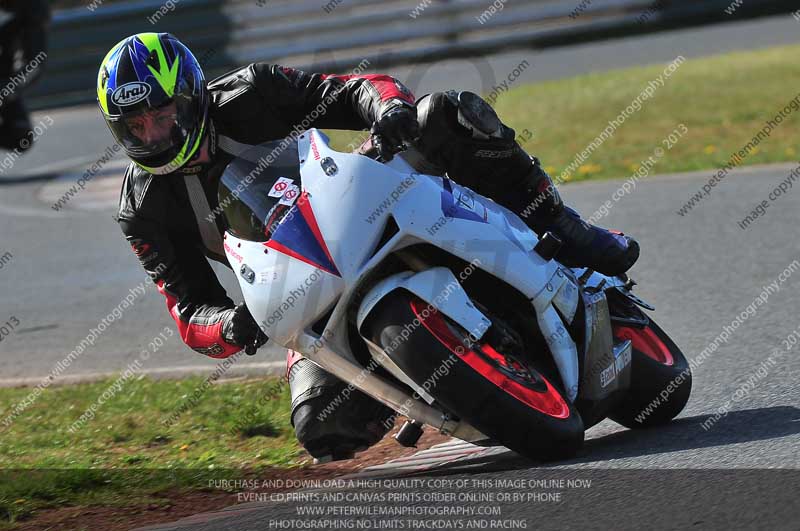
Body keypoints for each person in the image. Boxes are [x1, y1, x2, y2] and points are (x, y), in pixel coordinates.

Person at [99, 33, 638, 461]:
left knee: (445, 113)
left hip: (352, 198)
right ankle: (420, 387)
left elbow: (357, 88)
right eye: (136, 127)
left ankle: (562, 226)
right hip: (293, 283)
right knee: (322, 430)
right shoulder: (140, 209)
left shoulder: (250, 91)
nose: (154, 137)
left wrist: (389, 110)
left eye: (164, 116)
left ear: (192, 98)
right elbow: (188, 308)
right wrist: (229, 326)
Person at [0, 0, 50, 152]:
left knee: (21, 137)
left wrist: (8, 88)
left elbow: (35, 63)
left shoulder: (31, 7)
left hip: (3, 79)